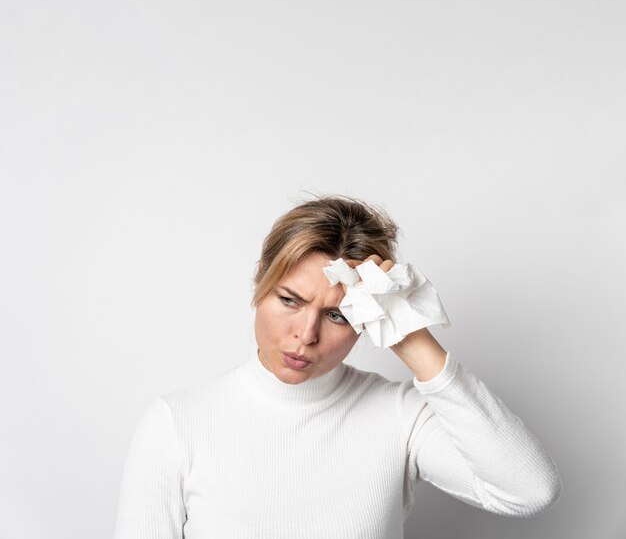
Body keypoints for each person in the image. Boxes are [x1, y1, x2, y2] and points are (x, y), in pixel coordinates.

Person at [112, 194, 561, 539]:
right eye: (289, 300)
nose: (306, 334)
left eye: (337, 315)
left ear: (367, 321)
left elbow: (529, 491)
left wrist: (409, 334)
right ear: (259, 281)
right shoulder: (177, 422)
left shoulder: (399, 416)